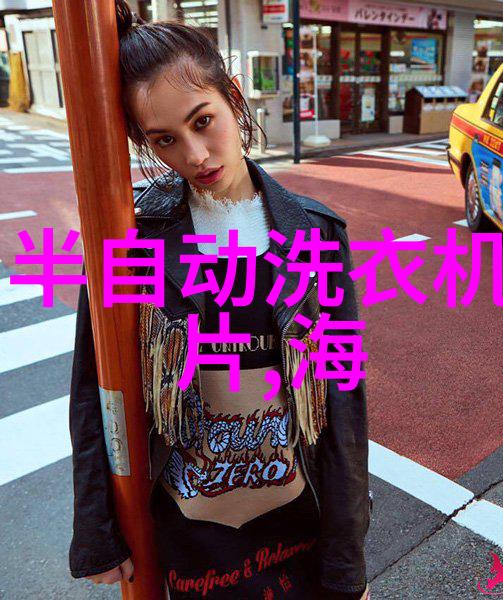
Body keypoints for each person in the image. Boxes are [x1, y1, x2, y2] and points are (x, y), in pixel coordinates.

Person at [68, 1, 371, 598]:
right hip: (188, 533)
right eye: (165, 139)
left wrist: (346, 562)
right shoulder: (134, 239)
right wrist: (98, 530)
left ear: (233, 97)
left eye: (203, 121)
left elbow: (343, 406)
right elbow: (93, 386)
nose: (195, 155)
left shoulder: (315, 233)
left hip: (299, 521)